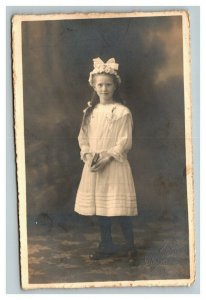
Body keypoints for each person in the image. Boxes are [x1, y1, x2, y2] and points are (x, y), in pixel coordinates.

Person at [74, 57, 138, 263]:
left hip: (114, 165)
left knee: (118, 210)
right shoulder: (89, 112)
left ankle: (131, 247)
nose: (104, 89)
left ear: (115, 86)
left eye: (108, 84)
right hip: (94, 164)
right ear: (93, 85)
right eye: (100, 84)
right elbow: (82, 137)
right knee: (101, 208)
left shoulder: (121, 112)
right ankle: (106, 244)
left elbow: (124, 141)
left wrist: (108, 157)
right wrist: (87, 154)